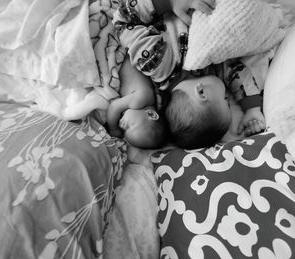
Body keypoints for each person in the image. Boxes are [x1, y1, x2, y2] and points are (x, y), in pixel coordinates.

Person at [112, 0, 269, 149]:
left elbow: (124, 21)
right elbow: (237, 73)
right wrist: (252, 109)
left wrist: (168, 2)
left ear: (201, 92)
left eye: (225, 99)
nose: (227, 94)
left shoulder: (157, 64)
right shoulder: (212, 71)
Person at [105, 55, 167, 149]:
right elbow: (114, 107)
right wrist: (113, 128)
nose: (122, 126)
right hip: (122, 57)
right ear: (151, 114)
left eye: (125, 130)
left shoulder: (138, 109)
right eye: (130, 126)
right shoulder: (142, 98)